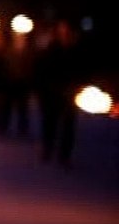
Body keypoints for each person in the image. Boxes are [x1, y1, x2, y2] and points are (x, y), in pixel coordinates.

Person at [33, 20, 86, 168]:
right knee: (50, 123)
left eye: (67, 31)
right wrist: (43, 90)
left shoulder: (76, 51)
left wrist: (78, 87)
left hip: (70, 94)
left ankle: (65, 155)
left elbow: (82, 71)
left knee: (68, 125)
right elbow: (41, 71)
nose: (65, 34)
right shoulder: (51, 50)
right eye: (62, 31)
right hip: (51, 93)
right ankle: (48, 148)